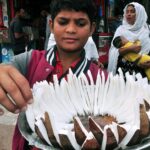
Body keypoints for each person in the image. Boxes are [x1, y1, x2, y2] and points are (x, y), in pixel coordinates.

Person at [0, 0, 107, 149]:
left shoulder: (102, 79)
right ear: (51, 25)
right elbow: (7, 70)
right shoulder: (30, 61)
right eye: (63, 22)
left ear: (91, 29)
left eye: (80, 23)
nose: (70, 29)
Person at [107, 2, 150, 79]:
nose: (129, 14)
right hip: (124, 73)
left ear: (140, 14)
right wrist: (130, 48)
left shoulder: (148, 30)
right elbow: (115, 51)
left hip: (144, 74)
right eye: (127, 11)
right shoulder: (121, 30)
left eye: (132, 11)